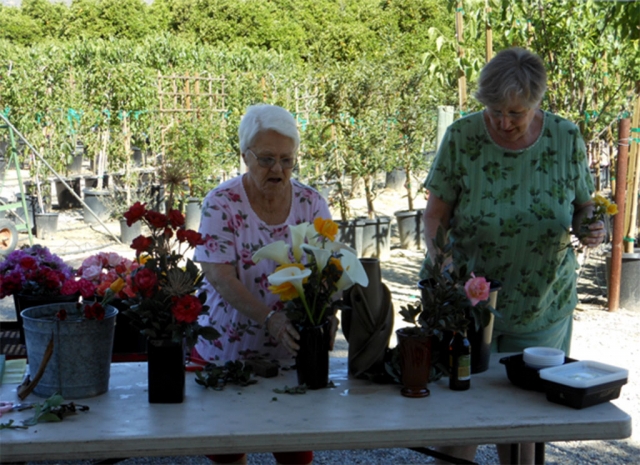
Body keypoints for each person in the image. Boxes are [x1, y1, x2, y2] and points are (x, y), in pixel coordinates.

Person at [421, 48, 605, 465]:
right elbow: (435, 216)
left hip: (540, 304)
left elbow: (583, 206)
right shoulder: (462, 138)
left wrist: (592, 226)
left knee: (524, 425)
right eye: (494, 111)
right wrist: (440, 259)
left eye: (515, 113)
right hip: (464, 304)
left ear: (536, 103)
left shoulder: (565, 137)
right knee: (457, 418)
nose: (503, 122)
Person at [193, 104, 334, 465]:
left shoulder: (311, 202)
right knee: (227, 453)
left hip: (290, 355)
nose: (278, 170)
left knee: (295, 454)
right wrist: (270, 317)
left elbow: (327, 269)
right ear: (244, 155)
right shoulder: (220, 203)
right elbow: (218, 275)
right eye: (267, 159)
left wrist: (327, 314)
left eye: (288, 160)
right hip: (229, 351)